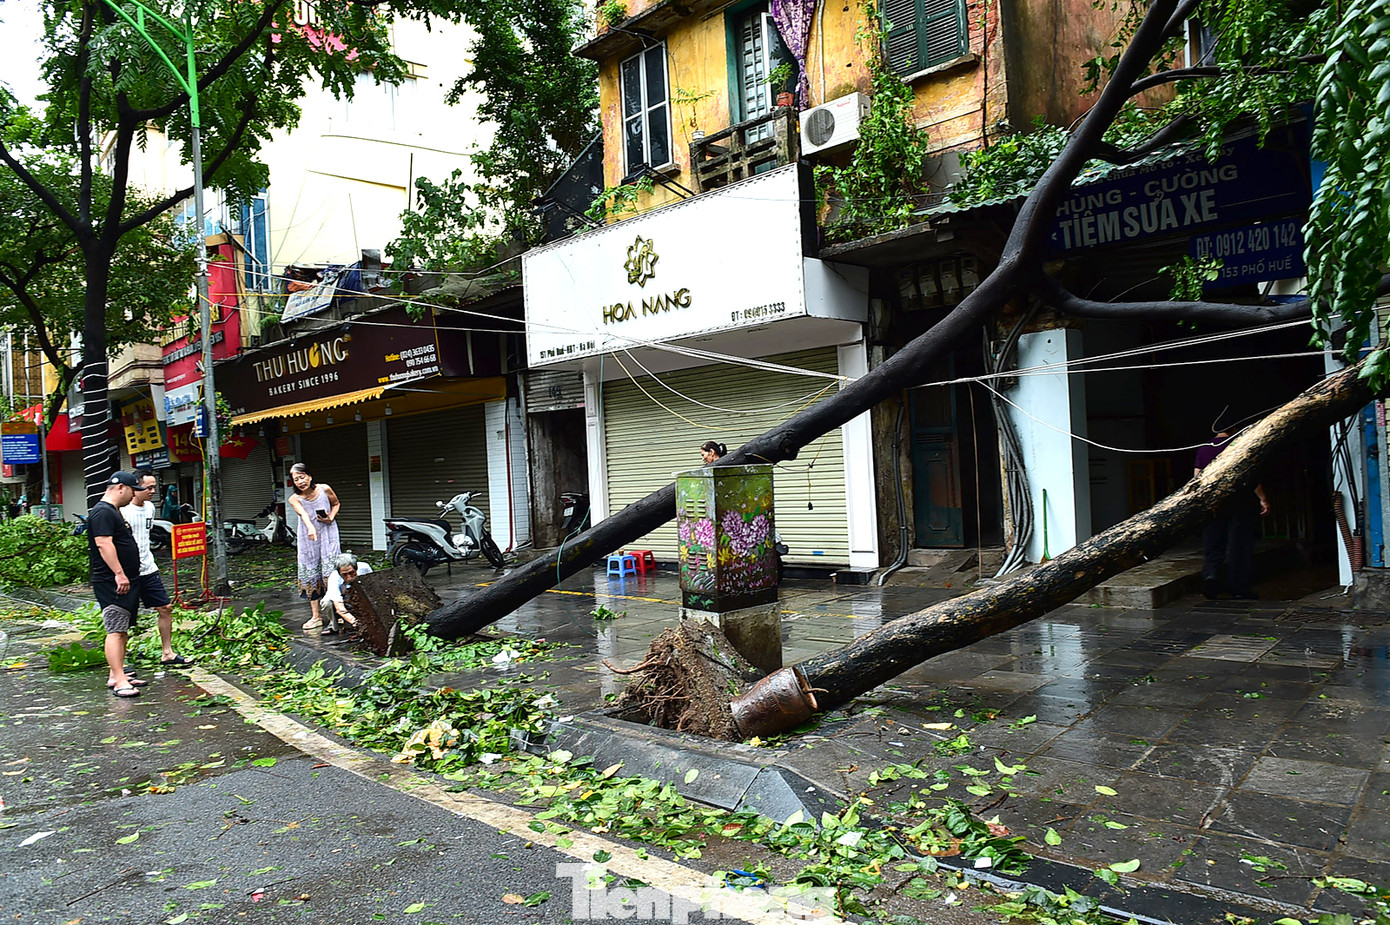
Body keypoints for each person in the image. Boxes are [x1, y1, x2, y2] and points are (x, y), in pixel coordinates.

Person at [122, 470, 194, 669]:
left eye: (155, 487)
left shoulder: (150, 508)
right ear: (135, 488)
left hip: (149, 568)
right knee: (125, 617)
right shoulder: (122, 511)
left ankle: (167, 653)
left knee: (165, 607)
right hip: (129, 571)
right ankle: (121, 660)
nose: (153, 491)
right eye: (149, 487)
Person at [1194, 426, 1270, 599]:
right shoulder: (1239, 444)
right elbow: (1249, 474)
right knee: (1239, 545)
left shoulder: (1205, 447)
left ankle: (1211, 576)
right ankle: (1238, 587)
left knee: (1214, 543)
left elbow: (1197, 478)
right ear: (1235, 428)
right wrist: (1262, 498)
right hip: (1239, 500)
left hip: (1212, 501)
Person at [89, 471, 143, 697]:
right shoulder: (102, 512)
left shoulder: (113, 511)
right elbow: (103, 544)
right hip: (111, 581)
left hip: (126, 579)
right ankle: (119, 680)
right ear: (120, 487)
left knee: (122, 629)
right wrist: (119, 574)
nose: (133, 496)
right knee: (115, 629)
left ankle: (117, 673)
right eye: (132, 490)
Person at [287, 462, 342, 633]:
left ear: (309, 476)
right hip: (308, 539)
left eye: (302, 477)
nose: (300, 482)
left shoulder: (324, 489)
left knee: (331, 571)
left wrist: (330, 518)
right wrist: (310, 527)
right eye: (296, 479)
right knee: (311, 573)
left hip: (328, 534)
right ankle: (316, 617)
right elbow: (303, 514)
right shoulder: (294, 498)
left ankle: (339, 613)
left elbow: (336, 503)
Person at [320, 552, 373, 635]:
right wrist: (356, 623)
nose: (349, 578)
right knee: (327, 603)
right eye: (344, 574)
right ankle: (334, 626)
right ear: (339, 573)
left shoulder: (365, 568)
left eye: (352, 573)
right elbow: (339, 608)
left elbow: (372, 589)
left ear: (356, 568)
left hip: (359, 595)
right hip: (341, 599)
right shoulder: (334, 578)